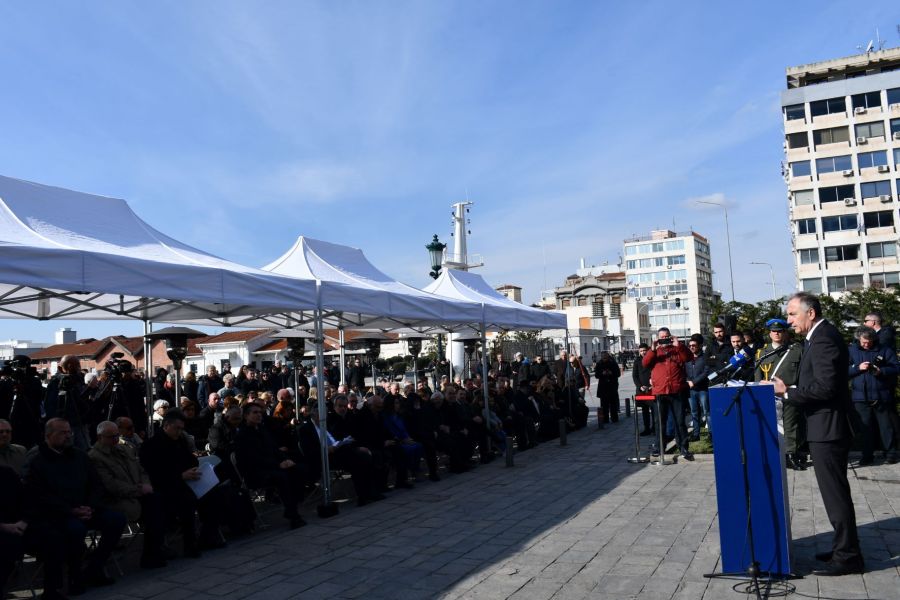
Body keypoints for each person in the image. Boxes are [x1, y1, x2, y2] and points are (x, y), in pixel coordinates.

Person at [773, 292, 863, 575]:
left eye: (791, 314)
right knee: (835, 494)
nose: (788, 320)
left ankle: (848, 556)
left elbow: (826, 387)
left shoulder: (824, 338)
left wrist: (787, 392)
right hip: (823, 426)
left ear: (810, 313)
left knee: (835, 495)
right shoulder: (817, 337)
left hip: (829, 428)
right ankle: (843, 547)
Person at [23, 418, 127, 593]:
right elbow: (39, 495)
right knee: (75, 530)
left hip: (86, 508)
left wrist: (90, 506)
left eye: (69, 432)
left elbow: (95, 484)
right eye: (62, 433)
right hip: (58, 513)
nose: (68, 436)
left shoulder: (79, 455)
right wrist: (70, 510)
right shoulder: (37, 460)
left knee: (116, 519)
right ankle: (74, 575)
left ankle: (95, 567)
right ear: (49, 435)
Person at [88, 421, 167, 568]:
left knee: (158, 501)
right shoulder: (95, 457)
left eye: (117, 435)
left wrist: (146, 485)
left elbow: (141, 470)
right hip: (117, 500)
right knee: (152, 508)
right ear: (100, 437)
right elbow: (111, 485)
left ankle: (155, 550)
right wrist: (138, 490)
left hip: (137, 494)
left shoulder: (125, 449)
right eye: (111, 437)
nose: (115, 440)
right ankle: (153, 552)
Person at [234, 403, 307, 529]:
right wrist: (279, 464)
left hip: (272, 467)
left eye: (260, 412)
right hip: (255, 473)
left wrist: (286, 460)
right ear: (246, 416)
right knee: (282, 477)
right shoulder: (242, 435)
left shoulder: (262, 429)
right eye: (255, 412)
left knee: (298, 469)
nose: (259, 415)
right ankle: (293, 515)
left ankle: (292, 508)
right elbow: (253, 459)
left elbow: (275, 449)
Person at [755, 318, 806, 470]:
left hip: (789, 392)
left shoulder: (796, 350)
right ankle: (773, 455)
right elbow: (758, 377)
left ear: (785, 332)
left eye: (780, 331)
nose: (777, 334)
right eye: (774, 331)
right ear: (769, 333)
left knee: (791, 425)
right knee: (771, 425)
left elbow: (802, 373)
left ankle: (790, 454)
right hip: (769, 395)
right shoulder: (761, 353)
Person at [848, 327, 900, 465]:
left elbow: (896, 367)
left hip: (881, 395)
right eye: (864, 342)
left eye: (869, 342)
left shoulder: (884, 349)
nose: (866, 345)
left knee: (886, 427)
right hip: (860, 397)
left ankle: (891, 453)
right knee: (865, 428)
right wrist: (857, 368)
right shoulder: (852, 350)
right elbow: (842, 371)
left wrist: (880, 371)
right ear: (859, 339)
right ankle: (867, 455)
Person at [642, 328, 693, 461]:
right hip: (660, 391)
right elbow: (645, 363)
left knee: (680, 421)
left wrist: (679, 345)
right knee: (660, 422)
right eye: (661, 337)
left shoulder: (677, 349)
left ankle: (684, 447)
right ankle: (659, 447)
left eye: (666, 336)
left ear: (670, 337)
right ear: (657, 338)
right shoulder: (655, 352)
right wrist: (652, 349)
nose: (664, 339)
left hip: (676, 391)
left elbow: (688, 358)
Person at [684, 335, 710, 441]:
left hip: (703, 389)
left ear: (699, 346)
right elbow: (683, 371)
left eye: (694, 345)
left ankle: (711, 434)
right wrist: (688, 381)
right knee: (694, 412)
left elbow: (706, 371)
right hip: (691, 391)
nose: (691, 347)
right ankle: (696, 434)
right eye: (690, 345)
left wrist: (694, 382)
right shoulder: (686, 358)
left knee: (706, 411)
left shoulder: (705, 357)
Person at [631, 344, 654, 436]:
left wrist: (653, 385)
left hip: (652, 388)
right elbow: (635, 375)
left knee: (654, 410)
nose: (643, 352)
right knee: (645, 410)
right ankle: (647, 428)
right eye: (641, 351)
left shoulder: (652, 359)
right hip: (641, 390)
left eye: (644, 350)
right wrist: (640, 386)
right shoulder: (637, 361)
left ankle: (655, 428)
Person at [593, 351, 620, 424]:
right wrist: (602, 373)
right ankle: (605, 419)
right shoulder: (599, 364)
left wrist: (611, 373)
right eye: (603, 357)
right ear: (601, 357)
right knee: (604, 405)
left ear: (608, 356)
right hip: (603, 387)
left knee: (613, 404)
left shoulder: (613, 363)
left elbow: (618, 373)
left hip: (612, 386)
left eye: (605, 357)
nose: (604, 358)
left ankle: (614, 418)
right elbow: (596, 375)